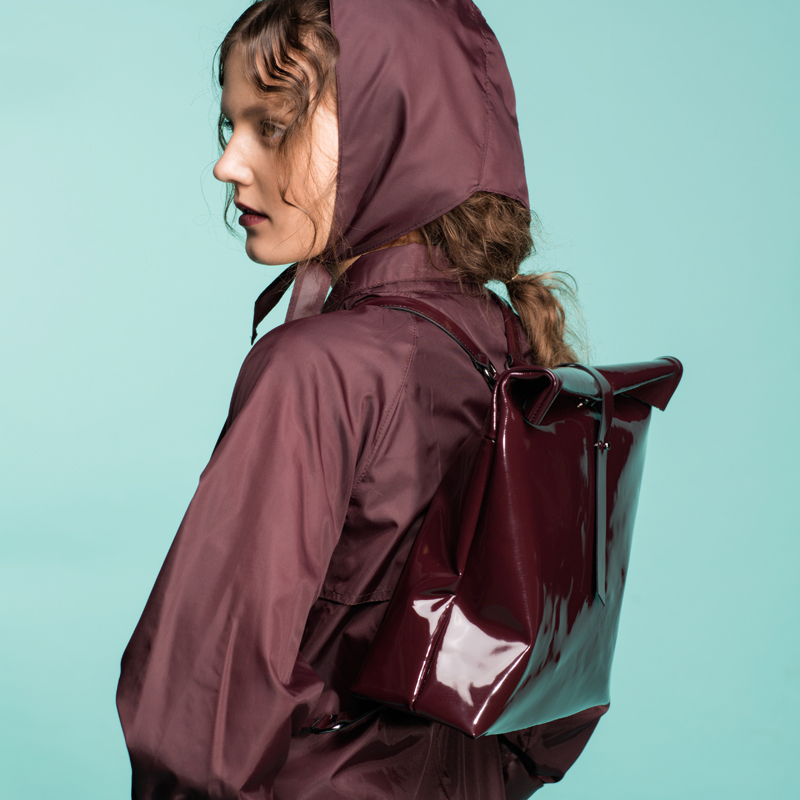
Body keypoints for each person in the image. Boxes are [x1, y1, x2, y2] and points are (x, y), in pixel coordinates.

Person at [116, 1, 608, 797]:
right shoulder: (520, 358)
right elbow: (553, 707)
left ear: (391, 129)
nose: (228, 164)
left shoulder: (316, 371)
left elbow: (199, 718)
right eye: (231, 126)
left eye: (272, 126)